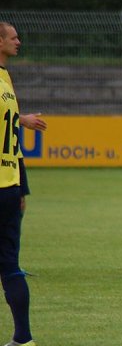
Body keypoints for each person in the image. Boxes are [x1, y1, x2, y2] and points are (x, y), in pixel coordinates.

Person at [0, 23, 48, 227]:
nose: (19, 42)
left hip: (11, 167)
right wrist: (22, 119)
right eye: (14, 38)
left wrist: (21, 119)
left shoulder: (5, 76)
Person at [0, 74, 35, 346]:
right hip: (9, 184)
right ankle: (23, 337)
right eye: (13, 37)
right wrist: (21, 185)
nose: (18, 41)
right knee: (10, 265)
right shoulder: (5, 82)